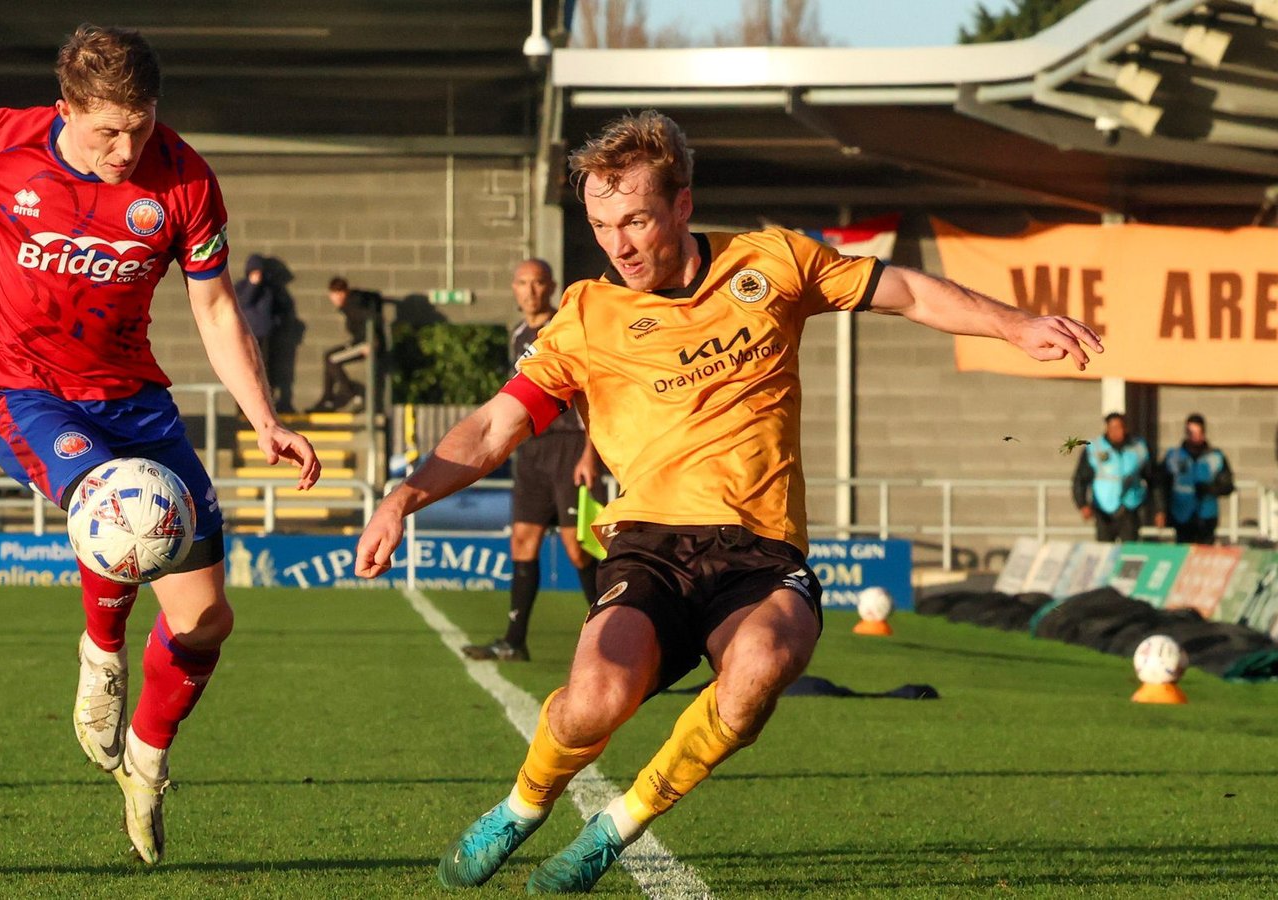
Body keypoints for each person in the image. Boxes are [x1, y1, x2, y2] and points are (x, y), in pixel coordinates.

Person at [353, 110, 1102, 893]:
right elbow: (495, 425)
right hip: (650, 545)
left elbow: (906, 288)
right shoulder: (585, 317)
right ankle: (523, 804)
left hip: (762, 554)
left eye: (637, 218)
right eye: (602, 224)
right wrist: (404, 497)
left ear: (682, 206)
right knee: (592, 703)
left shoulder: (771, 263)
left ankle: (617, 826)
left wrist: (1014, 326)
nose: (620, 243)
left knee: (762, 666)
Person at [0, 24, 320, 865]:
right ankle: (101, 653)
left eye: (139, 126)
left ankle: (146, 760)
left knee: (207, 620)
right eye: (106, 131)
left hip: (136, 402)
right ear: (64, 110)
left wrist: (265, 418)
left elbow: (213, 309)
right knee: (115, 502)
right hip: (27, 394)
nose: (125, 148)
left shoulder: (184, 179)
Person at [463, 258, 606, 662]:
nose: (530, 291)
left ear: (552, 286)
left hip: (570, 448)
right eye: (523, 283)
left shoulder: (569, 327)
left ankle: (611, 639)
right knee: (522, 541)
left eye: (538, 283)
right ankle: (514, 640)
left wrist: (589, 455)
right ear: (513, 288)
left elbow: (594, 393)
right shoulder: (517, 335)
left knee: (579, 546)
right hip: (533, 450)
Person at [1155, 413, 1234, 544]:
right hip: (1181, 514)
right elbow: (1160, 484)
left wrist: (1210, 489)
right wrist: (1160, 510)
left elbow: (1228, 485)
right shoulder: (1173, 456)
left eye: (1198, 432)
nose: (1194, 437)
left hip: (1206, 515)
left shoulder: (1215, 457)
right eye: (1191, 432)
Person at [1072, 413, 1152, 542]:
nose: (1115, 432)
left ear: (1125, 428)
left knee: (1129, 552)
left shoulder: (1139, 447)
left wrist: (1158, 508)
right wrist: (1082, 504)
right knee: (1105, 551)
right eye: (1112, 428)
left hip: (1129, 507)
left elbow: (1153, 478)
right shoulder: (1095, 448)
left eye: (1118, 428)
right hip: (1104, 509)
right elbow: (1080, 479)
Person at [308, 275, 383, 412]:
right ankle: (328, 398)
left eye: (335, 295)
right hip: (358, 342)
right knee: (329, 356)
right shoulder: (351, 303)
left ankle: (351, 395)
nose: (333, 299)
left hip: (365, 344)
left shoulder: (353, 304)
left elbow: (372, 318)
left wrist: (371, 342)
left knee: (332, 360)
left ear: (341, 293)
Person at [234, 254, 284, 386]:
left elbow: (277, 308)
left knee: (264, 368)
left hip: (264, 333)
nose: (258, 276)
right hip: (247, 333)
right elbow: (244, 302)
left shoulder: (268, 289)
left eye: (259, 272)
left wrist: (274, 322)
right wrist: (252, 285)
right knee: (246, 367)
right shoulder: (241, 286)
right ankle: (241, 406)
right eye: (254, 272)